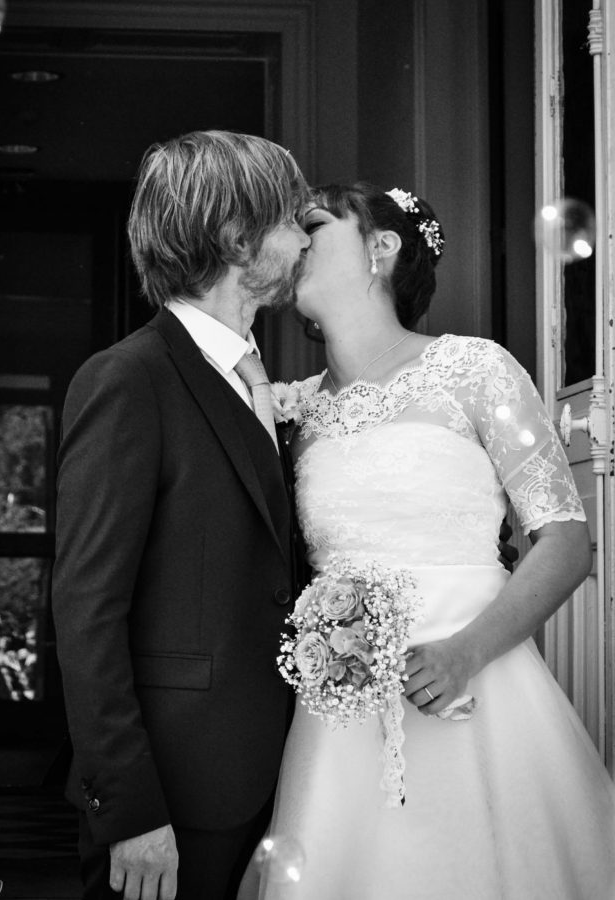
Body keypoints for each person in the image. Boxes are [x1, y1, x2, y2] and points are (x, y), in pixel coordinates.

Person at [246, 182, 615, 899]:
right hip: (341, 722)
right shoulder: (295, 409)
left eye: (314, 224)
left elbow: (567, 541)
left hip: (479, 691)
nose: (292, 239)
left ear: (380, 247)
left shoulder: (476, 370)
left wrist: (463, 654)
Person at [51, 130, 311, 900]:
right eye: (292, 220)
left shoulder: (259, 380)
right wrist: (128, 809)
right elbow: (87, 608)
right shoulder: (129, 380)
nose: (305, 240)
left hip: (277, 782)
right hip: (170, 800)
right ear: (238, 239)